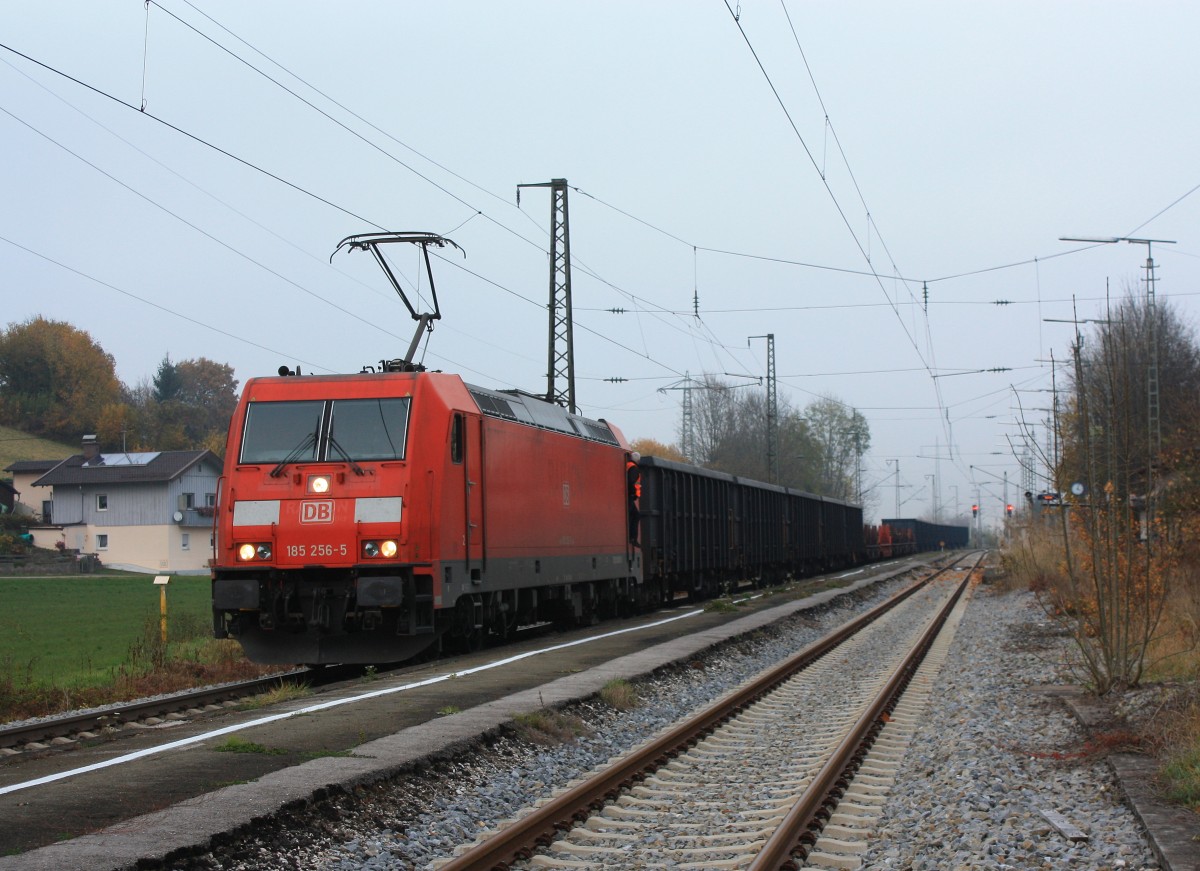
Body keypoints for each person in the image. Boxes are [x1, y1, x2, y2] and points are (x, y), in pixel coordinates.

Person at [626, 452, 641, 545]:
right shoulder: (634, 468)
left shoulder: (627, 465)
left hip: (627, 496)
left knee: (633, 515)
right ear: (637, 460)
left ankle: (632, 538)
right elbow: (632, 482)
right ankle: (633, 538)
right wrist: (634, 493)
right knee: (636, 516)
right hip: (630, 496)